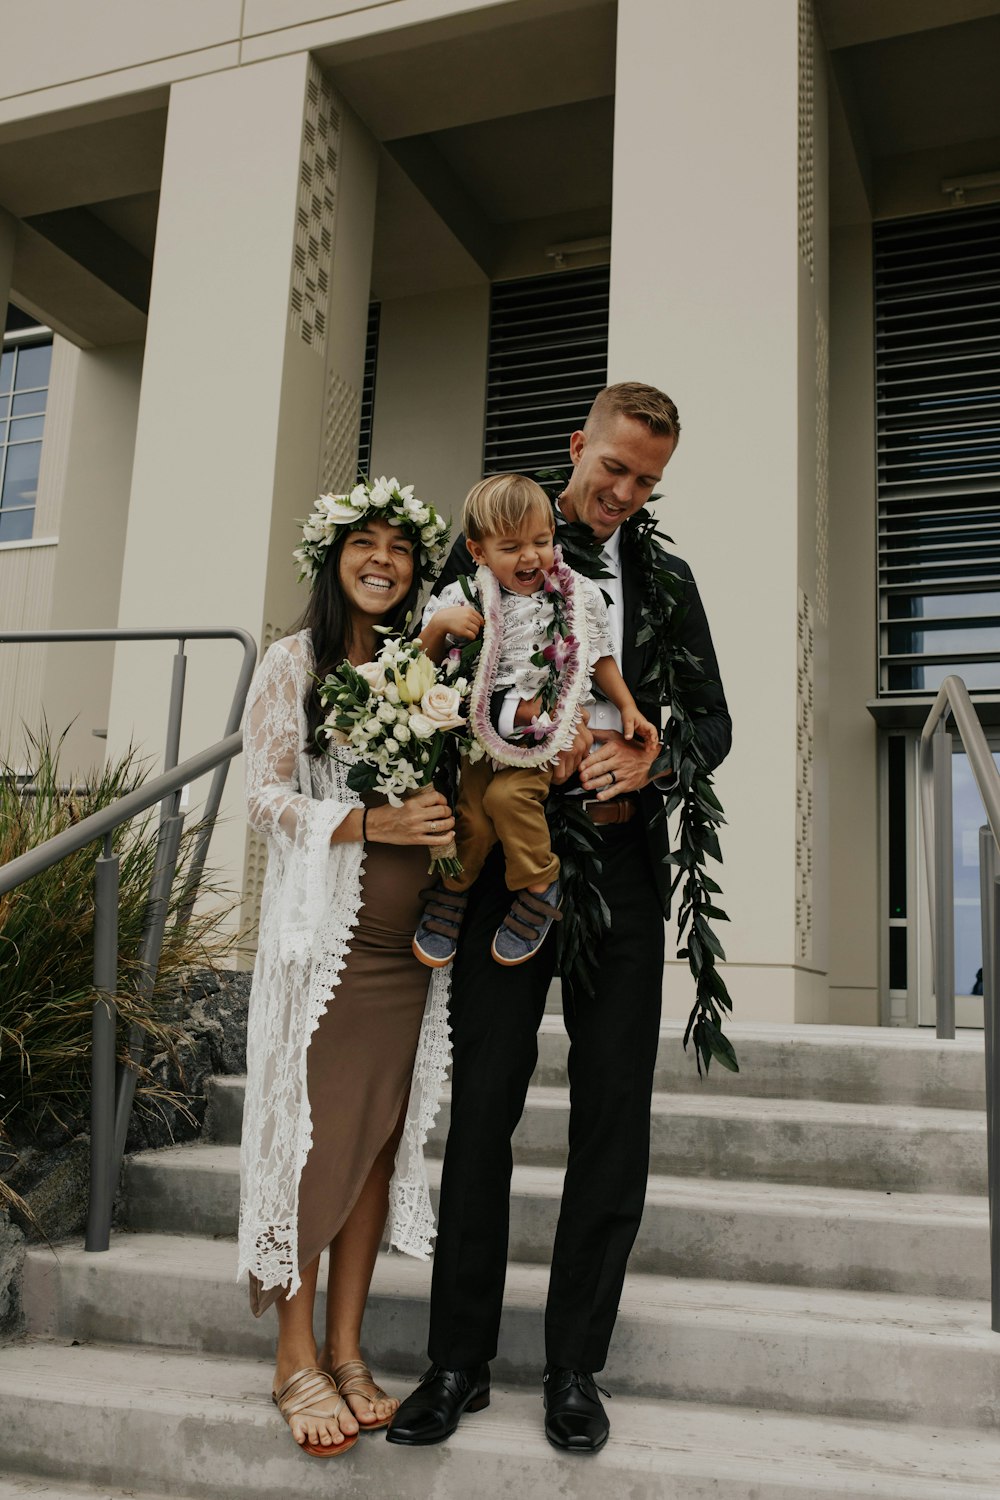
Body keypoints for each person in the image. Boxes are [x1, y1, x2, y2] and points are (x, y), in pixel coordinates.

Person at [388, 382, 732, 1453]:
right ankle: (456, 1362)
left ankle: (576, 1366)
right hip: (503, 871)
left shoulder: (665, 576)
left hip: (623, 867)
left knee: (611, 1111)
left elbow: (710, 719)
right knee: (483, 1098)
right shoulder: (491, 540)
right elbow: (421, 679)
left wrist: (652, 752)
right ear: (577, 446)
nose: (624, 493)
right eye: (612, 469)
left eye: (646, 481)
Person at [239, 480, 457, 1459]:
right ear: (332, 560)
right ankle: (293, 1355)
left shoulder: (425, 666)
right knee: (313, 1141)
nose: (383, 560)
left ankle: (347, 1344)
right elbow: (266, 798)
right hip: (328, 946)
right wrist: (370, 822)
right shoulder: (294, 663)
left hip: (411, 954)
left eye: (399, 548)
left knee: (374, 1143)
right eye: (363, 543)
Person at [412, 472, 658, 969]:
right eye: (512, 546)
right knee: (474, 817)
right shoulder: (464, 595)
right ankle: (454, 891)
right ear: (478, 552)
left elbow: (598, 655)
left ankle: (541, 887)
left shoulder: (574, 593)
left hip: (545, 732)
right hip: (480, 736)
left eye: (541, 542)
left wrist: (628, 706)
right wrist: (439, 626)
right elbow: (416, 667)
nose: (530, 557)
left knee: (509, 798)